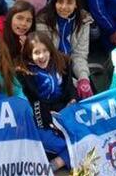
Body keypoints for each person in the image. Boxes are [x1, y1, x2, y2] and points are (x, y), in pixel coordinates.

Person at [17, 32, 74, 172]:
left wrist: (72, 101)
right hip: (41, 120)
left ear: (50, 50)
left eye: (45, 51)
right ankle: (55, 163)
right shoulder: (24, 73)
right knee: (68, 144)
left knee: (82, 138)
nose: (41, 56)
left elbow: (69, 88)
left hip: (64, 112)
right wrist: (49, 119)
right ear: (29, 55)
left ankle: (58, 162)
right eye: (36, 52)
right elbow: (33, 102)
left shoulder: (63, 62)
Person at [36, 0, 94, 99]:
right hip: (50, 68)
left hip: (71, 65)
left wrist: (83, 79)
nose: (64, 6)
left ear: (76, 4)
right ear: (54, 3)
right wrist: (71, 82)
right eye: (60, 1)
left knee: (91, 95)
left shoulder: (83, 21)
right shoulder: (43, 21)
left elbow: (79, 54)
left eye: (69, 2)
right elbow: (47, 58)